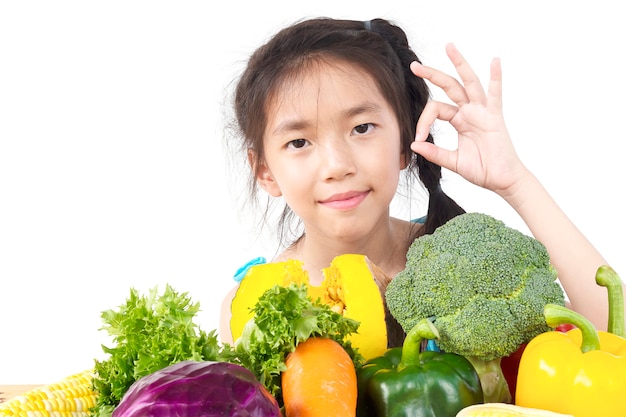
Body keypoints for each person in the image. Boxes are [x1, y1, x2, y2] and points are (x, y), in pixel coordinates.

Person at [219, 17, 623, 345]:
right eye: (299, 141)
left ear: (405, 143)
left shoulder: (460, 269)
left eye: (361, 128)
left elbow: (608, 337)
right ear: (265, 170)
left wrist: (515, 182)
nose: (336, 165)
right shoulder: (253, 304)